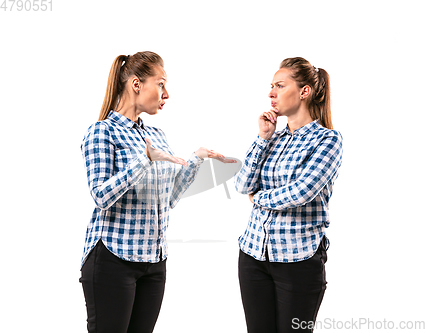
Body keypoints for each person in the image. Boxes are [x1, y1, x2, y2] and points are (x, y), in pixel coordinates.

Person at [79, 51, 235, 333]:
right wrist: (145, 159)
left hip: (153, 261)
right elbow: (101, 195)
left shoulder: (157, 135)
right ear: (136, 84)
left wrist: (196, 158)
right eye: (161, 84)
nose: (166, 94)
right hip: (113, 259)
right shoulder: (102, 132)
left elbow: (170, 197)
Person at [234, 57, 343, 333]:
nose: (272, 93)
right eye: (271, 86)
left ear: (304, 91)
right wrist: (262, 138)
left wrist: (259, 199)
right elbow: (243, 185)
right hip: (253, 256)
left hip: (298, 261)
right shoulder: (274, 139)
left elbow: (301, 192)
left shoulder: (327, 140)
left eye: (280, 86)